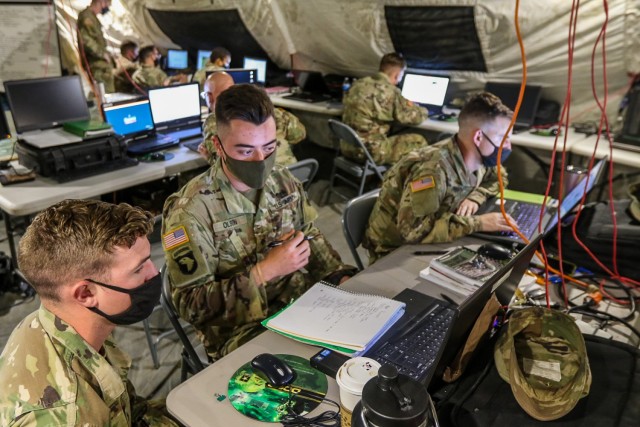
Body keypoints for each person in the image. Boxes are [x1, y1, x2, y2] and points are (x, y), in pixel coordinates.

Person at [162, 84, 355, 360]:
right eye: (245, 151)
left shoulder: (283, 180)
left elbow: (309, 235)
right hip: (240, 329)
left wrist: (338, 276)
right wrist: (263, 272)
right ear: (218, 145)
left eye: (269, 147)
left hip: (299, 302)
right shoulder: (191, 212)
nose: (261, 160)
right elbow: (190, 304)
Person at [0, 200, 177, 426]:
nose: (154, 273)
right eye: (139, 268)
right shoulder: (64, 415)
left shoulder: (61, 322)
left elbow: (128, 411)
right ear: (85, 293)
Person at [363, 91, 517, 263]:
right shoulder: (431, 171)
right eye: (503, 138)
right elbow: (412, 232)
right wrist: (478, 223)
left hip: (430, 236)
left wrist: (476, 197)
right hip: (394, 252)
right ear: (479, 137)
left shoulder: (478, 160)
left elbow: (499, 178)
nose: (508, 146)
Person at [198, 72, 306, 166]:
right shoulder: (271, 111)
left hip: (258, 184)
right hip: (291, 177)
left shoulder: (214, 121)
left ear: (210, 97)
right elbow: (300, 134)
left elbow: (225, 166)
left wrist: (208, 157)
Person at [342, 52, 428, 165]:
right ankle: (397, 180)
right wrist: (422, 110)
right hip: (370, 152)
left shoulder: (358, 84)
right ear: (397, 75)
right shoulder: (391, 91)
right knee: (419, 141)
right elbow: (414, 119)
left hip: (347, 147)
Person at [77, 0, 115, 93]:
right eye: (107, 4)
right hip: (96, 64)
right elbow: (86, 41)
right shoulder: (87, 17)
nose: (107, 8)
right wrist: (102, 54)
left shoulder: (92, 17)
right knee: (104, 95)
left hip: (99, 62)